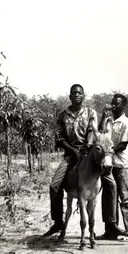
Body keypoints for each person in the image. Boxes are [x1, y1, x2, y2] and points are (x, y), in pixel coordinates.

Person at [43, 84, 97, 239]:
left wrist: (86, 148)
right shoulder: (62, 115)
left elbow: (92, 131)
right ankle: (58, 221)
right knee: (54, 185)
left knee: (106, 178)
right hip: (70, 154)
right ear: (69, 96)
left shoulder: (90, 112)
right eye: (73, 93)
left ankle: (109, 224)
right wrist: (73, 150)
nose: (76, 95)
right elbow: (59, 138)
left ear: (84, 95)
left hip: (87, 152)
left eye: (79, 93)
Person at [98, 93, 128, 240]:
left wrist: (109, 151)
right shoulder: (108, 121)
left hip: (121, 164)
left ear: (123, 106)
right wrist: (103, 115)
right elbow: (100, 133)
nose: (113, 105)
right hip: (109, 164)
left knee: (125, 196)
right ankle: (110, 229)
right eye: (112, 103)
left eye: (117, 103)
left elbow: (123, 144)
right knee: (108, 197)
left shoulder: (126, 123)